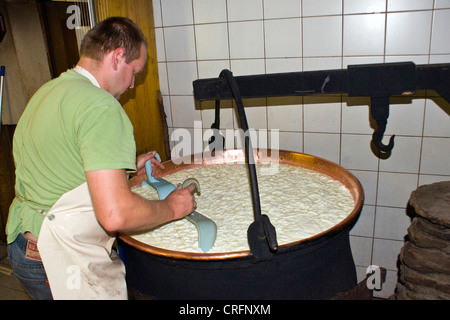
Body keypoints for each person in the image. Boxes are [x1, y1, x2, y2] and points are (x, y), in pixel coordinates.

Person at [6, 17, 195, 300]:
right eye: (134, 72)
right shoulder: (102, 106)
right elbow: (115, 214)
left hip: (23, 246)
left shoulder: (48, 91)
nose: (132, 85)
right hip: (58, 256)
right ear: (118, 56)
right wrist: (171, 207)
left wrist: (127, 168)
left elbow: (62, 162)